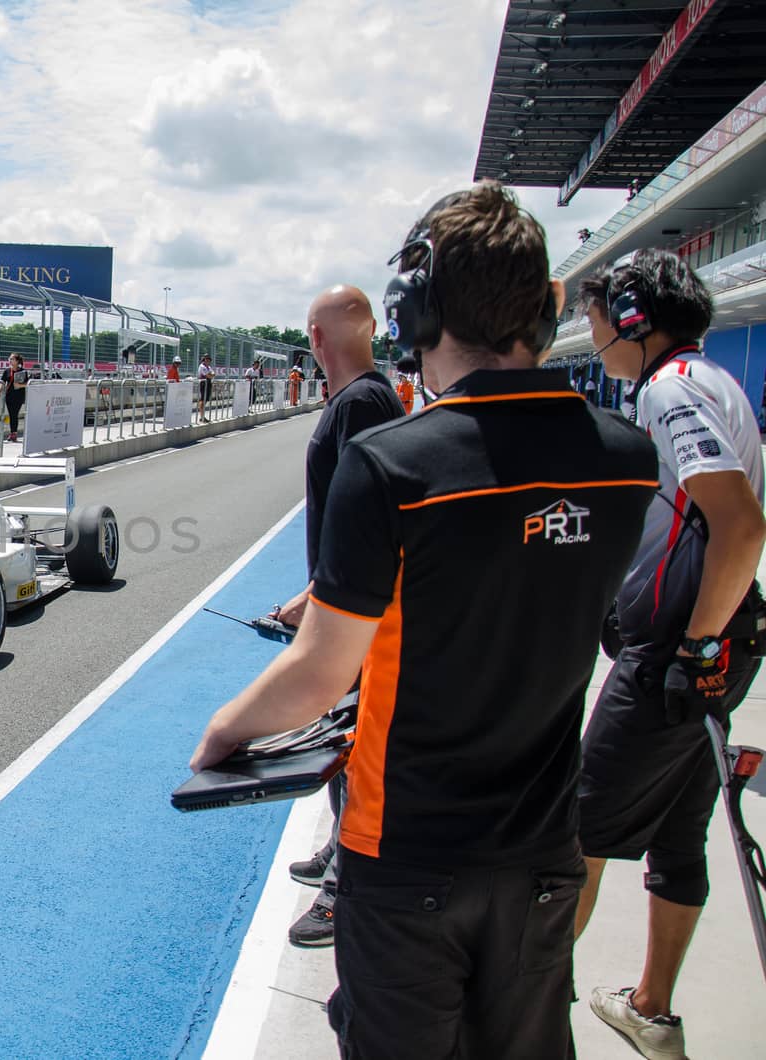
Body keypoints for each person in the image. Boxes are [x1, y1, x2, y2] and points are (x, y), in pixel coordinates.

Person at [191, 181, 658, 1059]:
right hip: (545, 852)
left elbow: (322, 671)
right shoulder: (628, 461)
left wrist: (224, 730)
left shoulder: (392, 464)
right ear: (546, 307)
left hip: (408, 852)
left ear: (416, 311)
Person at [572, 249, 766, 1060]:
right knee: (679, 840)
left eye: (595, 324)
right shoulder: (714, 378)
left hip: (678, 653)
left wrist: (694, 646)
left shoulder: (669, 387)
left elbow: (742, 523)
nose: (593, 342)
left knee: (575, 831)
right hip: (718, 647)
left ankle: (523, 1010)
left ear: (631, 320)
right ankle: (651, 1010)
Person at [270, 285, 405, 949]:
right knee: (341, 736)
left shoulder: (363, 402)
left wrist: (322, 592)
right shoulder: (363, 399)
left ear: (317, 340)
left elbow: (367, 516)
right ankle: (337, 851)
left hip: (354, 608)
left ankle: (342, 888)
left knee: (351, 744)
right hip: (344, 598)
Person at [0, 352, 28, 442]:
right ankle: (13, 433)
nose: (10, 360)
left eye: (12, 359)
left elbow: (27, 384)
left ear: (17, 361)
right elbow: (2, 381)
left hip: (19, 396)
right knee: (12, 415)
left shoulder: (23, 371)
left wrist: (20, 385)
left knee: (14, 414)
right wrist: (0, 390)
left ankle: (13, 433)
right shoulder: (7, 371)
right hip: (9, 396)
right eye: (10, 359)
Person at [196, 352, 214, 424]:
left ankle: (202, 416)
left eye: (209, 359)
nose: (208, 361)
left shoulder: (208, 367)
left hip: (208, 383)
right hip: (204, 383)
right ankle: (202, 417)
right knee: (203, 399)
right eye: (206, 359)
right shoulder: (202, 366)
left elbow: (213, 374)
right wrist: (210, 375)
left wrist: (210, 375)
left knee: (206, 399)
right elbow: (209, 375)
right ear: (204, 359)